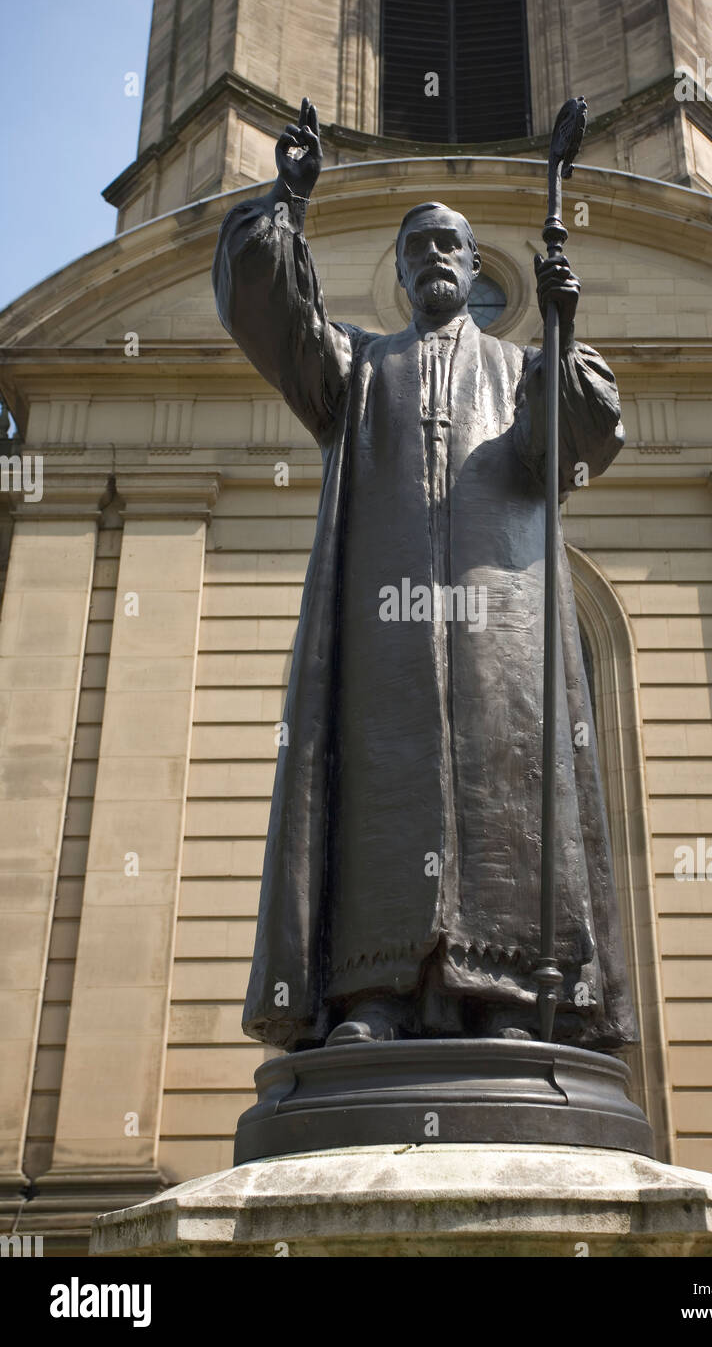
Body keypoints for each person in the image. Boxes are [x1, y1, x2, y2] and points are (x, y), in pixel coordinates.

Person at [213, 98, 637, 1051]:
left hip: (504, 635)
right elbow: (275, 318)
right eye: (419, 251)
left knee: (508, 787)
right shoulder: (356, 370)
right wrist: (285, 200)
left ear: (472, 260)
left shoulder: (522, 366)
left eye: (451, 245)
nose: (437, 260)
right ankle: (372, 998)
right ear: (402, 276)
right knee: (378, 781)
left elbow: (575, 447)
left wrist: (564, 333)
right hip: (385, 635)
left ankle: (515, 1003)